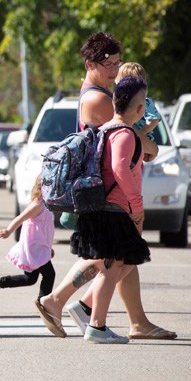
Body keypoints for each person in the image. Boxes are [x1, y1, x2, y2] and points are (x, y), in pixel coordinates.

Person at [36, 32, 176, 340]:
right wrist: (148, 146)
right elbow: (134, 140)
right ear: (90, 63)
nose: (115, 70)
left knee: (122, 256)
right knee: (115, 255)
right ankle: (64, 302)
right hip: (113, 191)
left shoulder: (97, 92)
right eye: (108, 64)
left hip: (112, 189)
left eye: (117, 62)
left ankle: (131, 320)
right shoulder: (99, 98)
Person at [67, 76, 151, 343]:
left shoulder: (104, 130)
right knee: (112, 266)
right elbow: (119, 169)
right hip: (115, 208)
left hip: (100, 206)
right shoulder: (124, 133)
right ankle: (97, 326)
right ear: (139, 110)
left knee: (117, 264)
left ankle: (90, 316)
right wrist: (136, 204)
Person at [0, 175, 55, 301]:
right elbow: (20, 218)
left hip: (41, 247)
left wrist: (49, 248)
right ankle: (43, 302)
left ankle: (0, 282)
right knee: (50, 274)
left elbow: (46, 231)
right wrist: (8, 230)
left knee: (30, 279)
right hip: (35, 247)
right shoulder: (38, 204)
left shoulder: (47, 204)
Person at [116, 62, 161, 138]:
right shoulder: (118, 100)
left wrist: (142, 132)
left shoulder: (145, 101)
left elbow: (154, 119)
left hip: (141, 141)